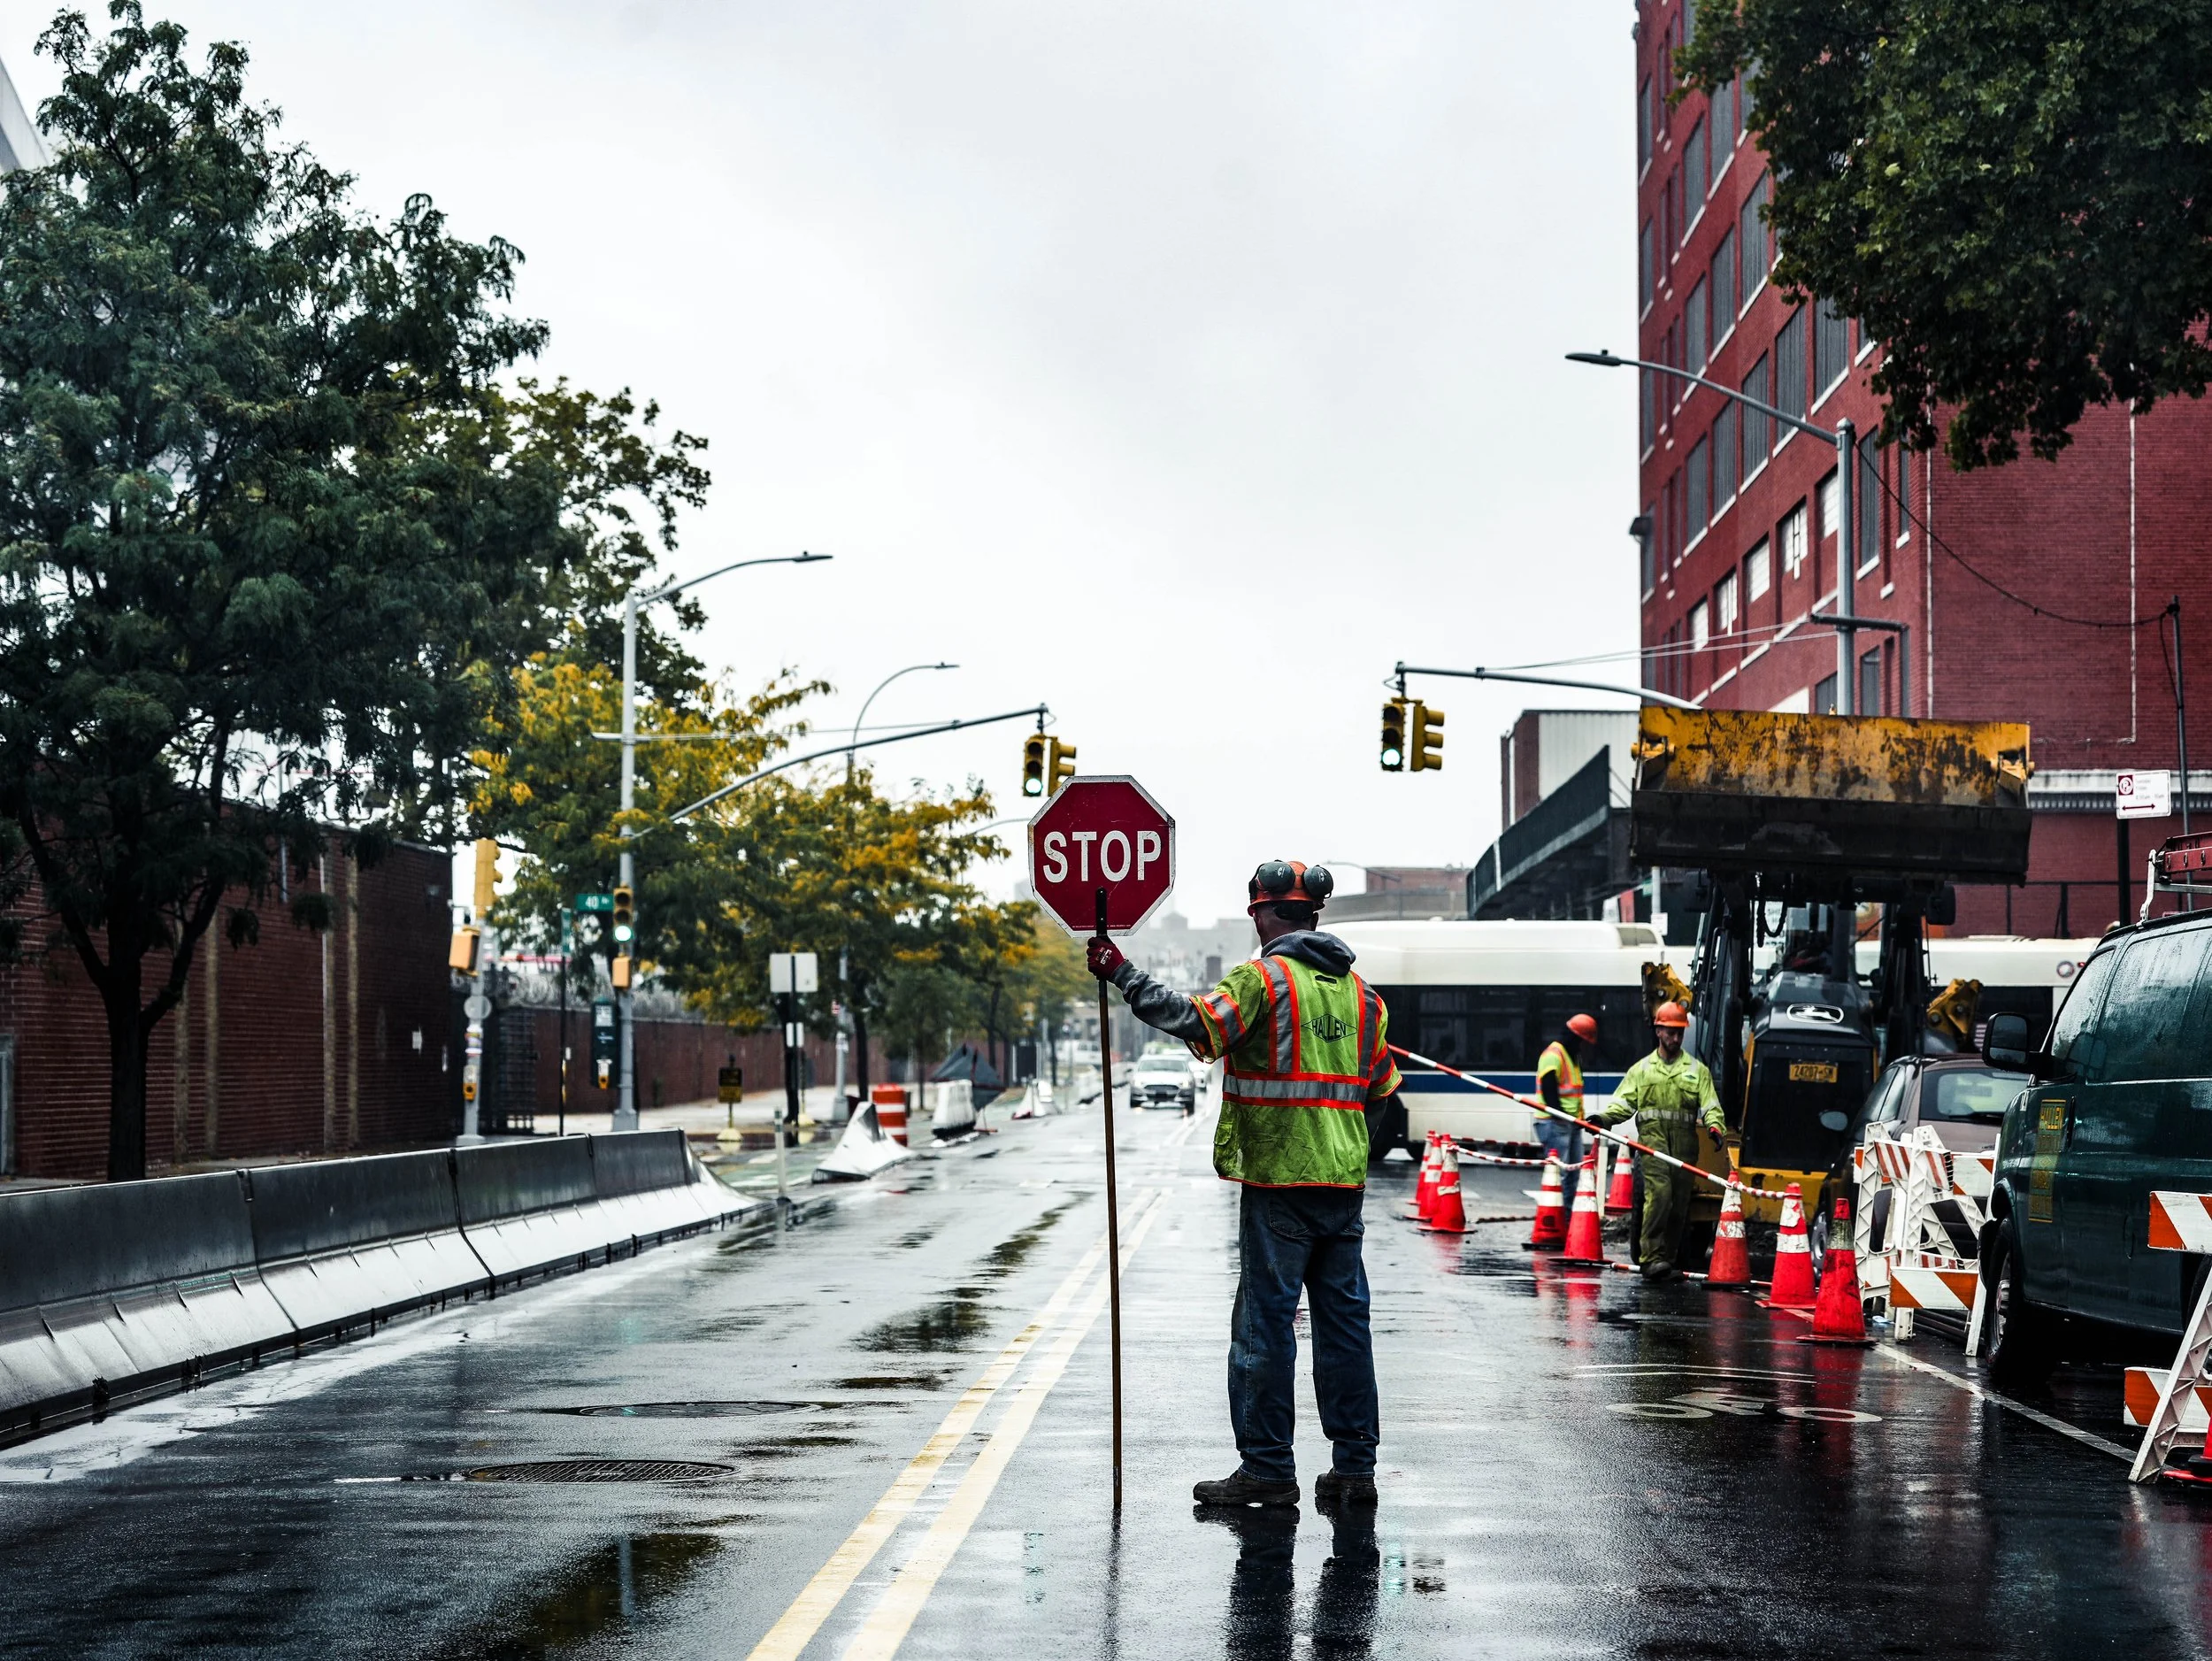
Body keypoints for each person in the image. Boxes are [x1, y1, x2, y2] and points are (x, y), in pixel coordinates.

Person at [1087, 858, 1402, 1511]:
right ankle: (1354, 1470)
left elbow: (1196, 1020)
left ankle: (1266, 1467)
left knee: (1265, 1324)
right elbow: (1382, 1094)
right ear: (1313, 914)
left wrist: (1121, 971)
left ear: (1260, 913)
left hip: (1280, 1181)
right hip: (1342, 1190)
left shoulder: (1264, 980)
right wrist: (1346, 1152)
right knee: (1345, 1329)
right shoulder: (1364, 997)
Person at [1587, 1000, 1732, 1282]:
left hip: (1684, 1150)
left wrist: (1715, 1127)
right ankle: (1651, 1258)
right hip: (1652, 1148)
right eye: (1670, 1032)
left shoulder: (1696, 1071)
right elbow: (1623, 1104)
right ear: (1658, 1031)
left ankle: (1668, 1260)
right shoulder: (1641, 1071)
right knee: (1660, 1197)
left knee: (1679, 1205)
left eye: (1679, 1032)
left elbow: (1711, 1105)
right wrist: (1603, 1120)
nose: (1675, 1038)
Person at [1533, 1013, 1598, 1204]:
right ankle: (1556, 1219)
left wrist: (1579, 1120)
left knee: (1572, 1173)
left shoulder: (1572, 1056)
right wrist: (1561, 1116)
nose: (1584, 1047)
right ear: (1575, 1038)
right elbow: (1549, 1090)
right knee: (1559, 1175)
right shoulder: (1554, 1055)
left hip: (1569, 1123)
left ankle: (1569, 1217)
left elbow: (1573, 1093)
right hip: (1555, 1123)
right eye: (1583, 1042)